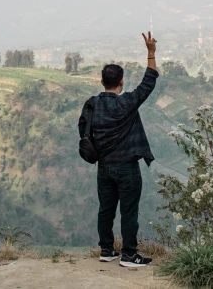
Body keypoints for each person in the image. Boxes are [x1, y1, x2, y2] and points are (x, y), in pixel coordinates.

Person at [78, 31, 159, 268]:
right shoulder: (127, 102)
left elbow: (83, 131)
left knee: (106, 210)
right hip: (126, 167)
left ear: (102, 81)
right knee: (129, 212)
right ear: (121, 82)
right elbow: (149, 80)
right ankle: (129, 255)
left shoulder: (91, 105)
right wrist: (151, 53)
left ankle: (106, 250)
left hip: (103, 167)